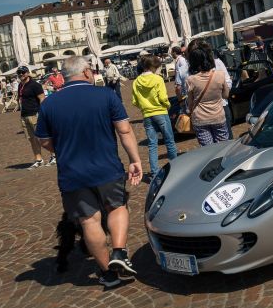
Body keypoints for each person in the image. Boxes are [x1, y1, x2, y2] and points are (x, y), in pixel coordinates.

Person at [34, 56, 142, 288]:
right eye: (92, 71)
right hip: (106, 167)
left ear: (63, 76)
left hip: (72, 173)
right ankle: (119, 253)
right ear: (85, 72)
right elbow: (124, 130)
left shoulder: (49, 104)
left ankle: (108, 275)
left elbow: (43, 141)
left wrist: (61, 149)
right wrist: (135, 160)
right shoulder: (105, 95)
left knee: (89, 221)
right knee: (117, 207)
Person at [132, 55, 177, 178]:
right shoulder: (158, 79)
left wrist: (144, 107)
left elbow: (134, 101)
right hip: (160, 112)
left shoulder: (136, 81)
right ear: (153, 67)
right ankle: (176, 166)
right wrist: (167, 105)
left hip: (147, 114)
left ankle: (154, 172)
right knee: (169, 141)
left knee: (152, 144)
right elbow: (163, 97)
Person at [186, 45, 230, 146]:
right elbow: (226, 95)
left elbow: (190, 103)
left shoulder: (191, 80)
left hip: (200, 119)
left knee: (208, 150)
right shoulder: (220, 75)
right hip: (218, 115)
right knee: (223, 148)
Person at [16, 66, 52, 168]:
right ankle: (39, 159)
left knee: (42, 137)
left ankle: (53, 155)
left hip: (35, 114)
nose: (21, 75)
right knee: (32, 139)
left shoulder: (35, 85)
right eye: (19, 73)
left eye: (23, 72)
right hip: (24, 115)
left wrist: (42, 113)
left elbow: (42, 99)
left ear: (27, 73)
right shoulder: (20, 85)